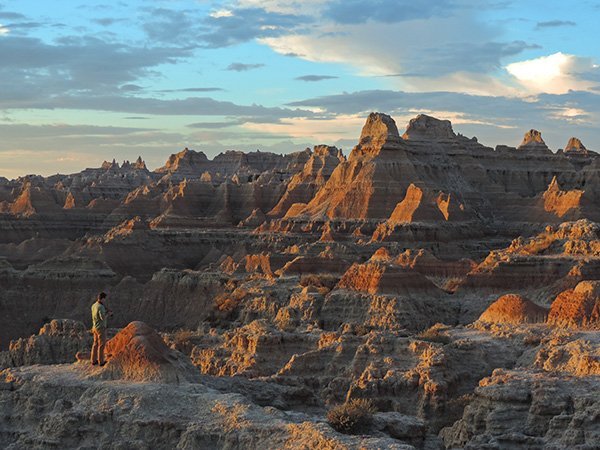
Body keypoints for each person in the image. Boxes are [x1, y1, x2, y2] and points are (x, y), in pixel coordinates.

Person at [90, 292, 112, 366]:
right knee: (101, 345)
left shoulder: (93, 305)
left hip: (94, 327)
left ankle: (93, 360)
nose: (105, 301)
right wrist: (108, 314)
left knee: (95, 344)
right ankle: (101, 362)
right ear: (102, 298)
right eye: (105, 299)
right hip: (101, 328)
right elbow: (102, 318)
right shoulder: (101, 307)